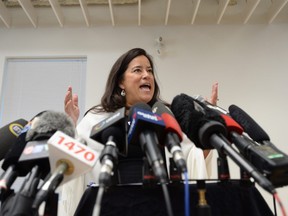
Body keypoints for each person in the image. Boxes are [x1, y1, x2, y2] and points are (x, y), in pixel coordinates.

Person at [61, 48, 218, 216]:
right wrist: (72, 125)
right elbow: (75, 158)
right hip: (113, 208)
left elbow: (194, 157)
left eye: (149, 70)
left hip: (161, 206)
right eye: (138, 70)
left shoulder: (165, 115)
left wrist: (206, 126)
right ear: (121, 82)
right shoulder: (97, 118)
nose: (147, 75)